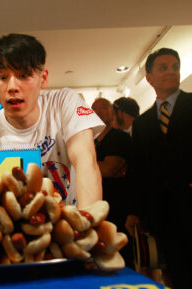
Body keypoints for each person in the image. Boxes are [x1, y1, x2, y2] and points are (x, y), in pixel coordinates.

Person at [0, 33, 104, 209]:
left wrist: (89, 224)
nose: (12, 87)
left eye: (24, 75)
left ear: (43, 78)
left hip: (73, 221)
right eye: (3, 77)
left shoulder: (63, 102)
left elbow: (86, 159)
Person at [125, 48, 191, 288]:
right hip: (164, 213)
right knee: (175, 271)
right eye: (163, 67)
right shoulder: (142, 123)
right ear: (149, 78)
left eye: (175, 66)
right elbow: (138, 169)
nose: (171, 72)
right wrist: (134, 211)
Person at [91, 97, 133, 267]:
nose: (99, 112)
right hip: (95, 207)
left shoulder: (120, 138)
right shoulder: (90, 141)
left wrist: (85, 165)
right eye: (95, 108)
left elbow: (109, 169)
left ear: (113, 113)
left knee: (121, 256)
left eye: (104, 108)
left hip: (118, 207)